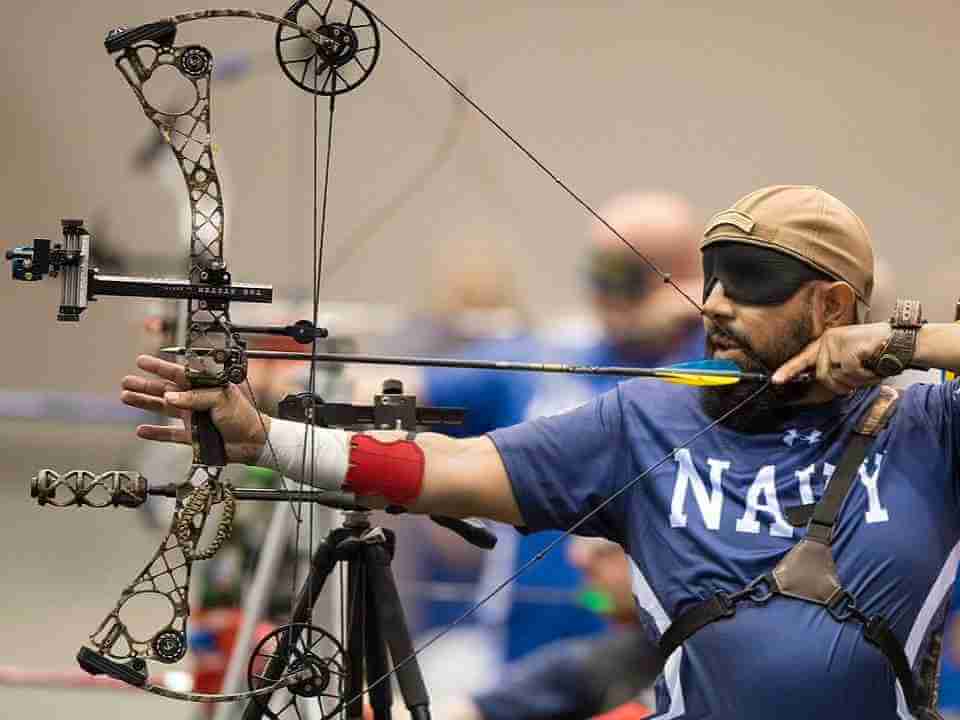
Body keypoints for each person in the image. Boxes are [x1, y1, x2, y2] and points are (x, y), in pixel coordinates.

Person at [120, 185, 960, 719]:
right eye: (710, 277)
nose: (714, 305)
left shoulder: (931, 425)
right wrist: (262, 435)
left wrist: (908, 346)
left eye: (748, 282)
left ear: (832, 303)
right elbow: (436, 470)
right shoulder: (647, 417)